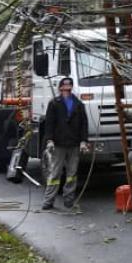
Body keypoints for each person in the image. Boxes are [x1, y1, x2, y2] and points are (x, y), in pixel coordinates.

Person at [42, 77, 90, 210]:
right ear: (60, 88)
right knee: (55, 173)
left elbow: (83, 125)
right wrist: (49, 140)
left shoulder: (78, 104)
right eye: (65, 86)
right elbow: (49, 124)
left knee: (72, 174)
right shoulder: (54, 103)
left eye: (69, 86)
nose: (67, 88)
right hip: (58, 144)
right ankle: (48, 201)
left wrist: (83, 141)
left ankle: (69, 200)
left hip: (74, 144)